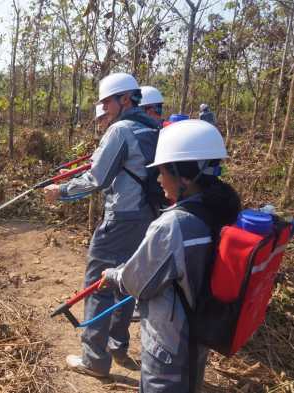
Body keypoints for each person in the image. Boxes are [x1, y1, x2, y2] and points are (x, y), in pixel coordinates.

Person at [100, 119, 240, 392]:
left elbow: (135, 281)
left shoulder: (173, 225)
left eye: (163, 171)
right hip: (197, 339)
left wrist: (113, 275)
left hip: (167, 347)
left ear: (184, 176)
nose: (158, 179)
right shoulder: (221, 213)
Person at [43, 73, 160, 377]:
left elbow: (97, 178)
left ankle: (94, 360)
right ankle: (116, 344)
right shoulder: (151, 126)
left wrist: (61, 190)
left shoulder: (120, 130)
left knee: (98, 285)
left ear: (125, 99)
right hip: (147, 218)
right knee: (124, 281)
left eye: (107, 101)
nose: (103, 108)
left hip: (120, 219)